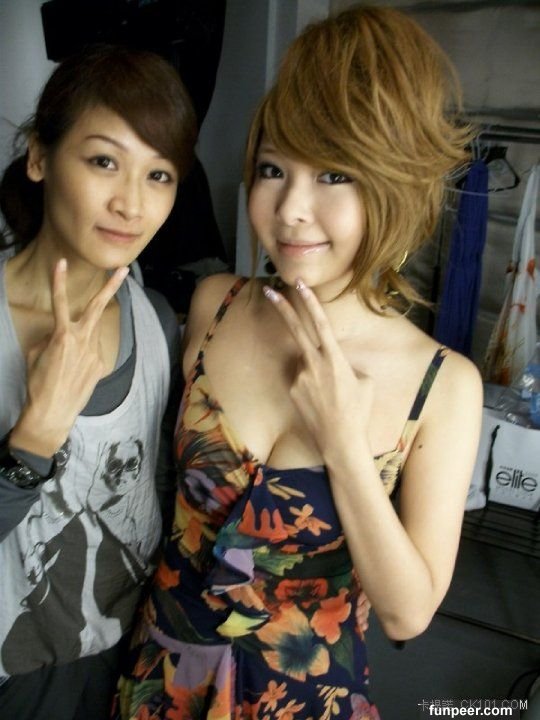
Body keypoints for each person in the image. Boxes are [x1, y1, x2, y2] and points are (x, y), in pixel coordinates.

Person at [117, 6, 483, 719]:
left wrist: (344, 444)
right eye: (274, 169)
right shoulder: (216, 306)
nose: (291, 208)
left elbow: (408, 613)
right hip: (158, 685)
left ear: (396, 183)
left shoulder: (442, 386)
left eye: (334, 174)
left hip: (304, 700)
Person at [0, 44, 197, 720]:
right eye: (104, 161)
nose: (130, 204)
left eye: (159, 175)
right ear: (38, 157)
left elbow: (160, 497)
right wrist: (34, 438)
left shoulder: (159, 323)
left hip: (132, 671)